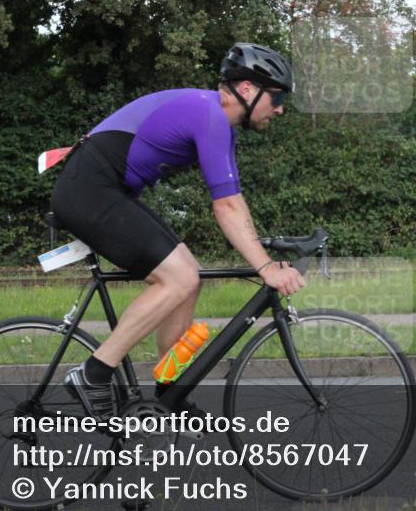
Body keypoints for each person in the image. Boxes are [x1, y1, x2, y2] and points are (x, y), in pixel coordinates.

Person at [51, 43, 307, 418]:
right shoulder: (210, 116)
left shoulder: (216, 121)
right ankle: (94, 373)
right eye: (278, 96)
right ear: (248, 89)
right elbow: (228, 207)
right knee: (179, 276)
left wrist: (261, 255)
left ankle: (167, 390)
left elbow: (232, 200)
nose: (281, 107)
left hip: (102, 188)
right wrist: (266, 267)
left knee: (189, 274)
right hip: (89, 190)